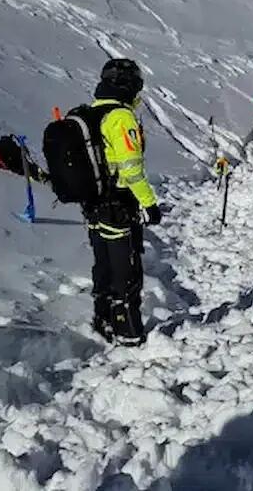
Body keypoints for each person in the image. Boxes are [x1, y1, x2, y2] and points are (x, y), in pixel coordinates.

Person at [86, 58, 161, 346]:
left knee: (102, 265)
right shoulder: (121, 117)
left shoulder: (90, 113)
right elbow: (131, 168)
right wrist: (149, 204)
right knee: (126, 270)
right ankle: (128, 332)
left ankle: (102, 320)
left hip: (93, 205)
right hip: (118, 203)